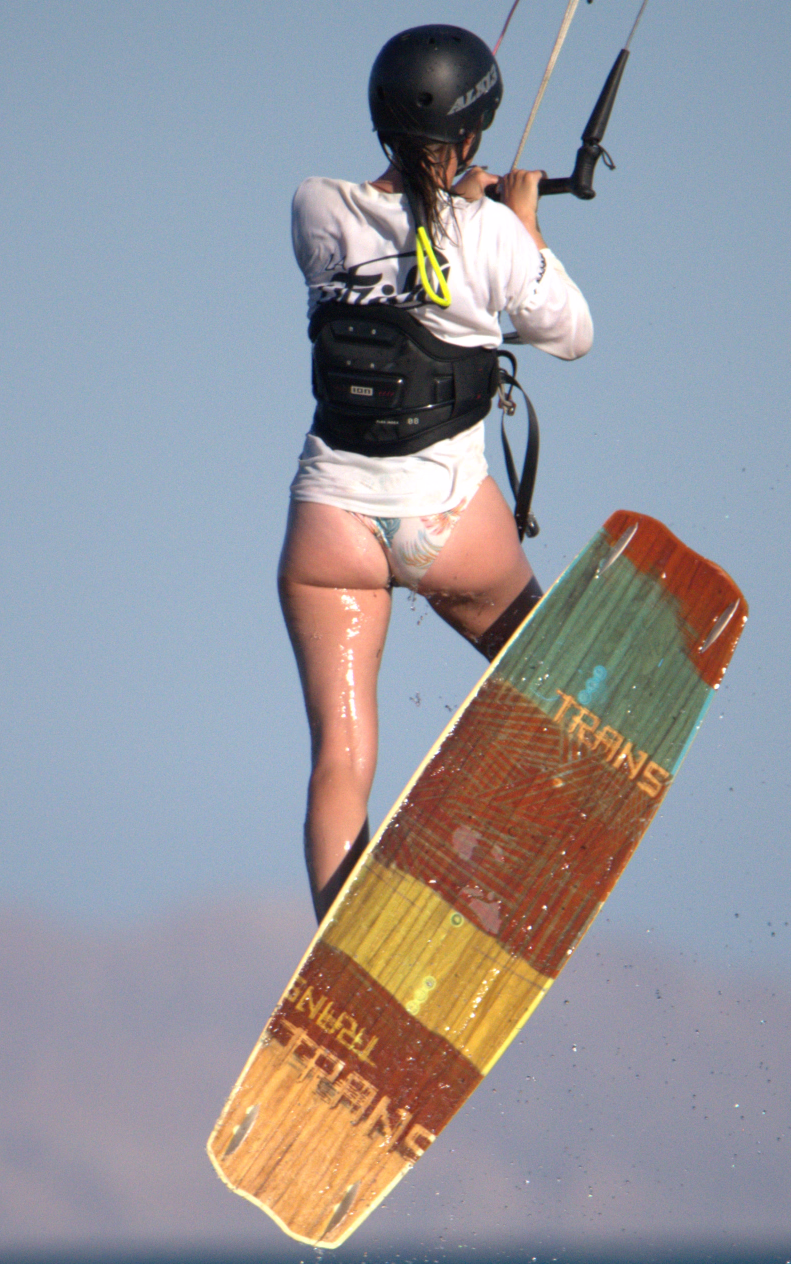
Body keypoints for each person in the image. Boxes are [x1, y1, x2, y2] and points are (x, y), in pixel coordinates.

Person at [280, 23, 594, 919]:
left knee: (340, 758)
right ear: (474, 129)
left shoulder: (314, 206)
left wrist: (459, 198)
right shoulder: (492, 234)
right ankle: (482, 854)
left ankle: (339, 943)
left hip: (327, 529)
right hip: (447, 528)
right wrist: (522, 222)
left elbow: (401, 239)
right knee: (559, 703)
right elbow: (571, 334)